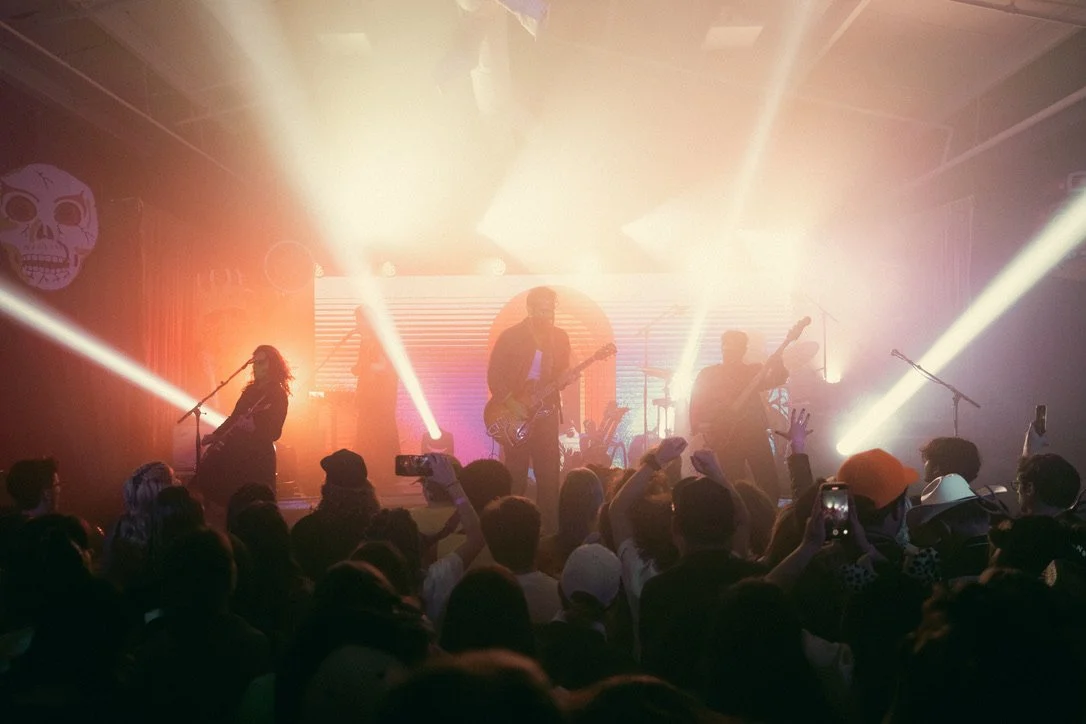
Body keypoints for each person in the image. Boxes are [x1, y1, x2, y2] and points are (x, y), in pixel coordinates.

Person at [487, 286, 571, 529]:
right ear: (530, 308)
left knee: (549, 475)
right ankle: (512, 528)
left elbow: (561, 374)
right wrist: (512, 402)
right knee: (515, 474)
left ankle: (549, 532)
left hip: (546, 413)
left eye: (550, 310)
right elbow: (494, 375)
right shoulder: (511, 336)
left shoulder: (560, 337)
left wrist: (565, 378)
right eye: (542, 310)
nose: (547, 315)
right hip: (516, 412)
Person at [689, 330, 788, 502]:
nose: (729, 351)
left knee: (768, 482)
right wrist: (703, 427)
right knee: (732, 482)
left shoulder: (754, 371)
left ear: (743, 350)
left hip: (753, 432)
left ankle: (768, 517)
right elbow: (696, 403)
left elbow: (778, 379)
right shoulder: (709, 374)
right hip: (726, 435)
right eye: (726, 347)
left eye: (734, 347)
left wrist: (778, 363)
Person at [194, 345, 291, 507]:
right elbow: (234, 417)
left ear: (272, 365)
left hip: (257, 457)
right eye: (254, 362)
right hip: (237, 451)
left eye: (261, 362)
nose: (256, 366)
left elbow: (275, 432)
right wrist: (216, 435)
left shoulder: (278, 394)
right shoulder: (250, 391)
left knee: (253, 503)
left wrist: (254, 428)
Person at [352, 306, 400, 488]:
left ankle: (385, 473)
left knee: (380, 432)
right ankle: (368, 470)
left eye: (359, 320)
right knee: (366, 432)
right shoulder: (365, 342)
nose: (357, 324)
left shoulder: (381, 340)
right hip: (368, 397)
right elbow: (363, 366)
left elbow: (384, 366)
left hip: (380, 398)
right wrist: (358, 369)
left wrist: (364, 367)